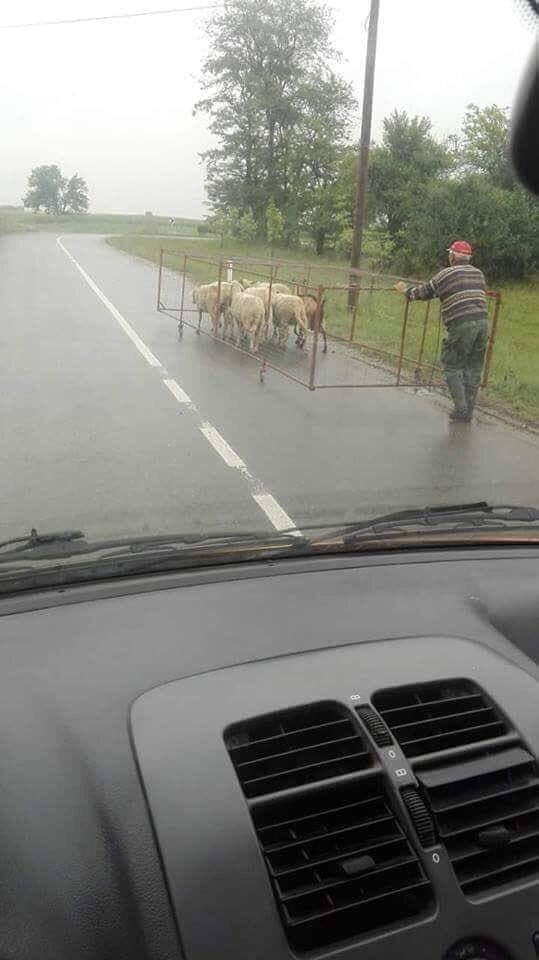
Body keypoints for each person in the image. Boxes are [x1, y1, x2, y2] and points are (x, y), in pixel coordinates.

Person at [395, 240, 489, 422]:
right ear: (469, 258)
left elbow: (424, 292)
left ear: (453, 256)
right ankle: (468, 411)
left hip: (462, 325)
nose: (449, 256)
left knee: (452, 364)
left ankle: (460, 409)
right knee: (473, 368)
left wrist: (406, 291)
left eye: (450, 254)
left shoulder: (445, 274)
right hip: (483, 324)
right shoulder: (478, 273)